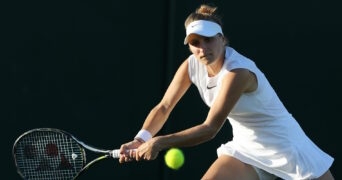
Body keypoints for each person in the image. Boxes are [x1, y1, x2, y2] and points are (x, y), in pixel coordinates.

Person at [119, 4, 335, 180]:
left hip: (290, 151)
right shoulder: (191, 65)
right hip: (247, 152)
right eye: (195, 42)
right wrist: (141, 139)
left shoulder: (237, 72)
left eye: (209, 39)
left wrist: (160, 142)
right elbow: (164, 107)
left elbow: (210, 128)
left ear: (222, 39)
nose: (202, 48)